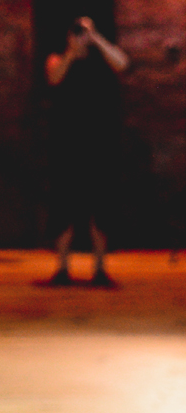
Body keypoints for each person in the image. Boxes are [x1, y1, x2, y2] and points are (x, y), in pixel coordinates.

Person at [44, 15, 130, 288]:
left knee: (100, 205)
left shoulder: (102, 59)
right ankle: (62, 267)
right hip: (67, 141)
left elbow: (123, 63)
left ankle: (100, 268)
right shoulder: (57, 58)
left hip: (98, 140)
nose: (81, 35)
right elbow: (54, 78)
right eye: (77, 31)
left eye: (84, 30)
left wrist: (96, 39)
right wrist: (72, 50)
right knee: (63, 205)